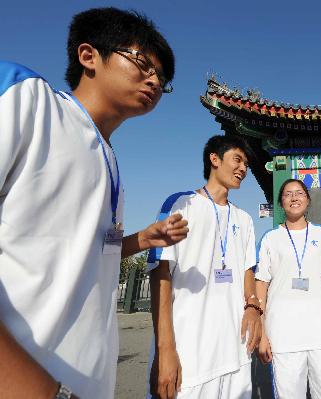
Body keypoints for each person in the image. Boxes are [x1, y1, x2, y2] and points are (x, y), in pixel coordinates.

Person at [0, 7, 187, 399]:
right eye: (142, 63)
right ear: (89, 56)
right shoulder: (26, 99)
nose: (154, 79)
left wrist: (139, 241)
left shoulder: (111, 159)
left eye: (162, 78)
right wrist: (33, 387)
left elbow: (80, 255)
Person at [147, 135, 262, 399]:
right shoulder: (181, 205)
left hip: (236, 353)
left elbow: (247, 270)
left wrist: (253, 305)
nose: (243, 168)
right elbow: (160, 273)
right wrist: (165, 350)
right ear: (214, 159)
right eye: (237, 159)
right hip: (191, 356)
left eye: (246, 163)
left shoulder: (244, 219)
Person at [255, 178, 321, 399]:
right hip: (283, 334)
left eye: (299, 193)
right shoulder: (270, 239)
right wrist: (262, 333)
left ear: (307, 199)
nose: (294, 198)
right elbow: (261, 285)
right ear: (280, 202)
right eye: (288, 194)